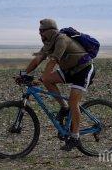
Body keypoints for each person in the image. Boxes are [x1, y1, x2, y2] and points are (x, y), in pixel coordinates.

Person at [19, 19, 95, 151]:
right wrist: (24, 74)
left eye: (42, 31)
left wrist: (41, 79)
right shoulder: (49, 44)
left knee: (73, 102)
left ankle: (75, 137)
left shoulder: (61, 40)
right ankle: (64, 108)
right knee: (49, 81)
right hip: (69, 71)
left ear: (51, 30)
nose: (40, 34)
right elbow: (37, 60)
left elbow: (53, 62)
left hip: (84, 70)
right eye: (39, 31)